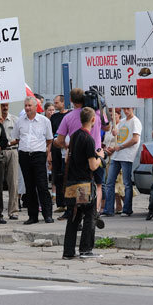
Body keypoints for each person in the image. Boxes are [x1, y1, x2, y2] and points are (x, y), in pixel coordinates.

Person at [54, 88, 110, 214]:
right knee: (98, 185)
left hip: (76, 155)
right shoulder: (94, 114)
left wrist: (65, 146)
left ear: (71, 100)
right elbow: (107, 127)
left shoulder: (68, 117)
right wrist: (101, 109)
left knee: (80, 183)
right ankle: (94, 212)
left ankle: (81, 211)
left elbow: (60, 139)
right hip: (96, 152)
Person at [62, 107, 106, 259]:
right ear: (93, 120)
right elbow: (93, 166)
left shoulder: (74, 136)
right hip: (84, 184)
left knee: (74, 217)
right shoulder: (88, 139)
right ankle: (86, 249)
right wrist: (100, 156)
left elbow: (68, 158)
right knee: (89, 216)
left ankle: (68, 251)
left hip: (72, 182)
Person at [12, 96, 54, 224]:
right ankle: (32, 216)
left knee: (42, 186)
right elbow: (17, 138)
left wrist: (46, 152)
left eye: (30, 105)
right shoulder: (20, 121)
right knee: (29, 187)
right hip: (24, 155)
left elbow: (49, 139)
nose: (27, 108)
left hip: (39, 155)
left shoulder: (44, 121)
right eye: (25, 105)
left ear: (36, 107)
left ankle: (48, 215)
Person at [103, 107, 141, 217]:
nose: (126, 111)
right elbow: (119, 136)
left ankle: (127, 209)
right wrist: (115, 133)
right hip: (117, 155)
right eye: (124, 109)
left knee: (127, 183)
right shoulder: (123, 121)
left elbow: (135, 139)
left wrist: (121, 146)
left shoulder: (135, 121)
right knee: (109, 182)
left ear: (133, 108)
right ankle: (108, 210)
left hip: (127, 155)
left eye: (128, 109)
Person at [0, 103, 19, 220]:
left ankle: (13, 211)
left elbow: (18, 138)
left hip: (12, 151)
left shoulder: (15, 120)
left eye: (6, 105)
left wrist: (7, 143)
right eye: (2, 106)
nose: (5, 108)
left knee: (13, 182)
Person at [50, 95, 69, 216]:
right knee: (57, 176)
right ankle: (60, 203)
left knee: (66, 174)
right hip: (56, 149)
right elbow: (51, 134)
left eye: (57, 103)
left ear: (63, 102)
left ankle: (68, 203)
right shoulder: (54, 117)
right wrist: (49, 153)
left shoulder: (70, 115)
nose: (55, 105)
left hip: (66, 149)